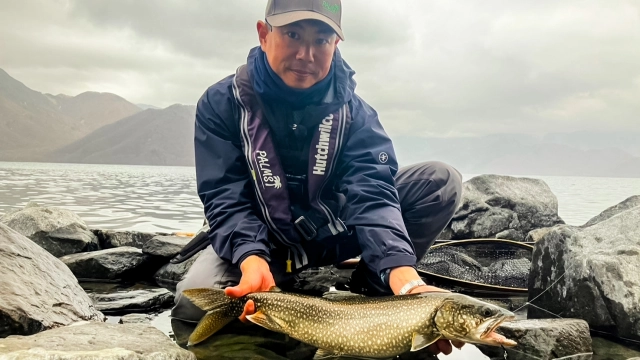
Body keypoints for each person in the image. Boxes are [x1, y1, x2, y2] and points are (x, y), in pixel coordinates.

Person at [171, 0, 464, 356]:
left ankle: (376, 288)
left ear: (336, 45)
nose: (306, 53)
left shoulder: (357, 115)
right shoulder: (222, 103)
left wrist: (406, 281)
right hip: (263, 244)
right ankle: (274, 305)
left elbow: (373, 195)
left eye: (321, 40)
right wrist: (251, 258)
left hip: (331, 234)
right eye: (293, 34)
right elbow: (224, 196)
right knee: (192, 307)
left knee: (439, 180)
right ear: (264, 35)